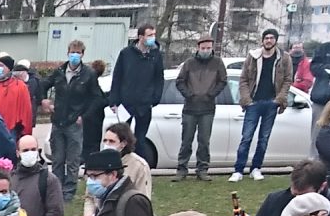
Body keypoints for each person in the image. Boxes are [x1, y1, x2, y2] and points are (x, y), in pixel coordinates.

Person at [233, 29, 295, 181]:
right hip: (253, 103)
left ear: (275, 40)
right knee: (246, 137)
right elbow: (243, 79)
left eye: (271, 38)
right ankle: (238, 170)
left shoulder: (284, 58)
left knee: (264, 138)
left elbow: (288, 80)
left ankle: (256, 168)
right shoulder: (253, 56)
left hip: (271, 103)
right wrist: (247, 100)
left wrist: (279, 99)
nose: (268, 40)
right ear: (262, 40)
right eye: (266, 38)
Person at [44, 43, 104, 192]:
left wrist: (84, 116)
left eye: (78, 52)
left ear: (83, 54)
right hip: (58, 121)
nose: (75, 55)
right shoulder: (59, 71)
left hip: (75, 122)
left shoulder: (88, 74)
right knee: (57, 159)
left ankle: (69, 190)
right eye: (72, 52)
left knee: (73, 160)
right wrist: (43, 100)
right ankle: (56, 189)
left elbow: (97, 98)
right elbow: (43, 84)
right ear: (67, 53)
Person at [174, 34, 227, 180]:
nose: (206, 50)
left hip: (208, 108)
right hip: (190, 108)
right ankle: (182, 169)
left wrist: (211, 94)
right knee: (186, 140)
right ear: (198, 48)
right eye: (203, 48)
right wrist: (189, 95)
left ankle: (202, 169)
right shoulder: (189, 63)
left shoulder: (217, 63)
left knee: (204, 141)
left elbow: (223, 81)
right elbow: (180, 81)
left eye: (208, 48)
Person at [109, 25, 165, 146]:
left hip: (145, 104)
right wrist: (114, 101)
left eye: (154, 35)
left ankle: (139, 163)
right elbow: (117, 77)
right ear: (140, 37)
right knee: (123, 139)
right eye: (150, 35)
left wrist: (154, 99)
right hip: (126, 103)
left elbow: (159, 79)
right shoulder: (126, 53)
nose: (153, 38)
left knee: (140, 140)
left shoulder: (156, 55)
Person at [8, 134, 65, 216]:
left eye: (33, 149)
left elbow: (55, 212)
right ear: (18, 153)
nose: (29, 153)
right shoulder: (10, 178)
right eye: (25, 150)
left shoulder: (49, 179)